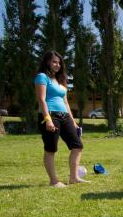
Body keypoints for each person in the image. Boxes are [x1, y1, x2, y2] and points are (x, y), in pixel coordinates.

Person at [34, 50, 87, 188]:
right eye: (54, 62)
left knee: (77, 146)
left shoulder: (61, 80)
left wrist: (73, 122)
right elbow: (41, 99)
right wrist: (47, 119)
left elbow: (66, 103)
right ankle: (53, 181)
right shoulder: (42, 77)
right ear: (47, 62)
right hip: (50, 115)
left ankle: (74, 178)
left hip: (65, 116)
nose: (57, 65)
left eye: (59, 62)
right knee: (51, 149)